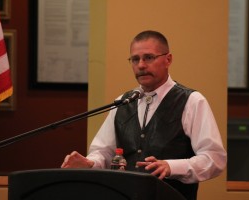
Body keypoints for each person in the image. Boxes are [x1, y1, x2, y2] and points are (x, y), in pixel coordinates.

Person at [61, 30, 227, 200]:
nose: (141, 65)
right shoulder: (122, 102)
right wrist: (90, 163)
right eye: (135, 59)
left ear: (168, 59)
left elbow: (214, 158)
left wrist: (172, 167)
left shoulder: (191, 101)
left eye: (148, 57)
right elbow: (103, 152)